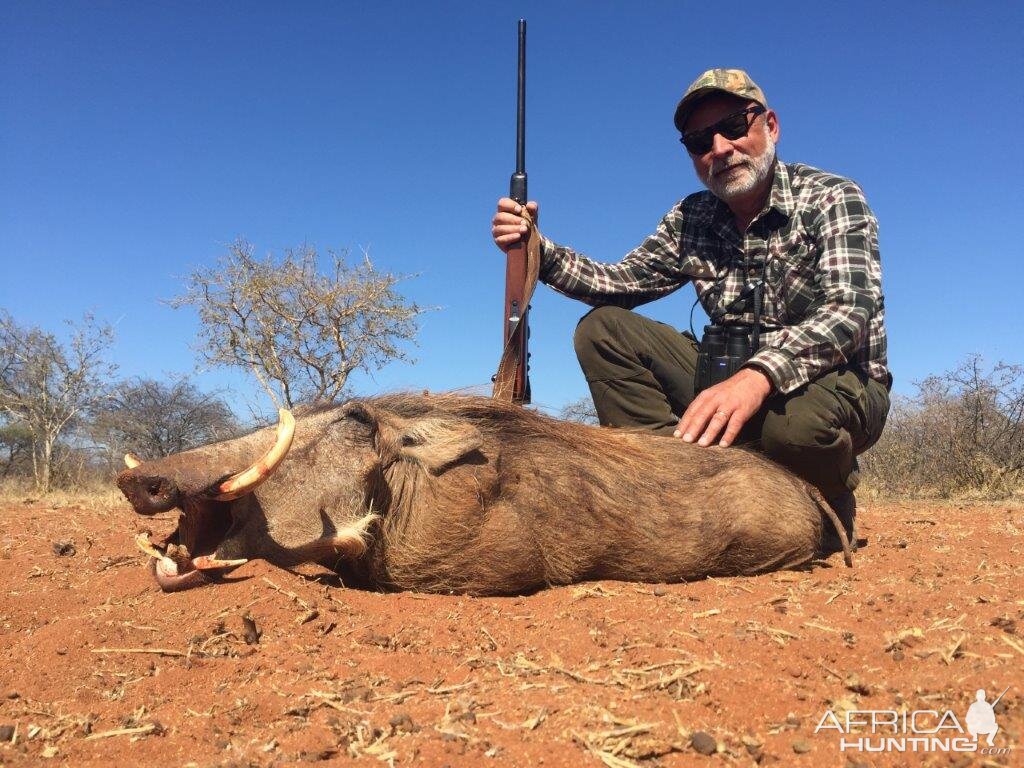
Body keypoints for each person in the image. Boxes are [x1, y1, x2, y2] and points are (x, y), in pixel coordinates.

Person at [490, 68, 891, 554]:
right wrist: (538, 250)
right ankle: (674, 496)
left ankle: (827, 500)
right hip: (729, 383)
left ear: (771, 125)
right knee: (603, 330)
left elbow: (850, 312)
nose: (719, 149)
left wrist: (757, 376)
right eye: (700, 140)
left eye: (736, 126)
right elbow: (619, 283)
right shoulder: (691, 217)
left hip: (831, 387)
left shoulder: (833, 196)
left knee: (798, 430)